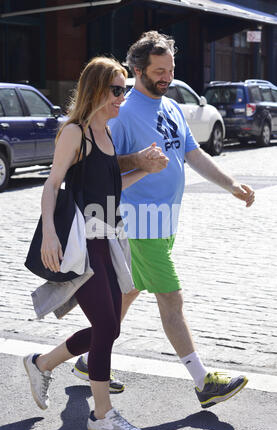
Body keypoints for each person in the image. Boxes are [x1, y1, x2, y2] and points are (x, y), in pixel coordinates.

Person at [72, 31, 255, 410]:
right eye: (158, 70)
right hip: (137, 222)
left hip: (164, 222)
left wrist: (231, 184)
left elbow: (193, 154)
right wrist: (138, 160)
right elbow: (99, 167)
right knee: (171, 298)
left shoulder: (171, 108)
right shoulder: (120, 112)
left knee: (127, 292)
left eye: (170, 69)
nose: (166, 76)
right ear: (137, 70)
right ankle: (204, 381)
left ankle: (88, 360)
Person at [23, 56, 168, 430]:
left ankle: (42, 363)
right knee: (106, 325)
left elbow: (112, 189)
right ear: (97, 90)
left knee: (111, 326)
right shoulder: (75, 132)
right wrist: (50, 234)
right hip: (79, 240)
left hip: (105, 237)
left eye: (124, 90)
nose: (123, 97)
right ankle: (102, 414)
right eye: (117, 90)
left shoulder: (105, 132)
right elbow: (53, 185)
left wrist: (146, 170)